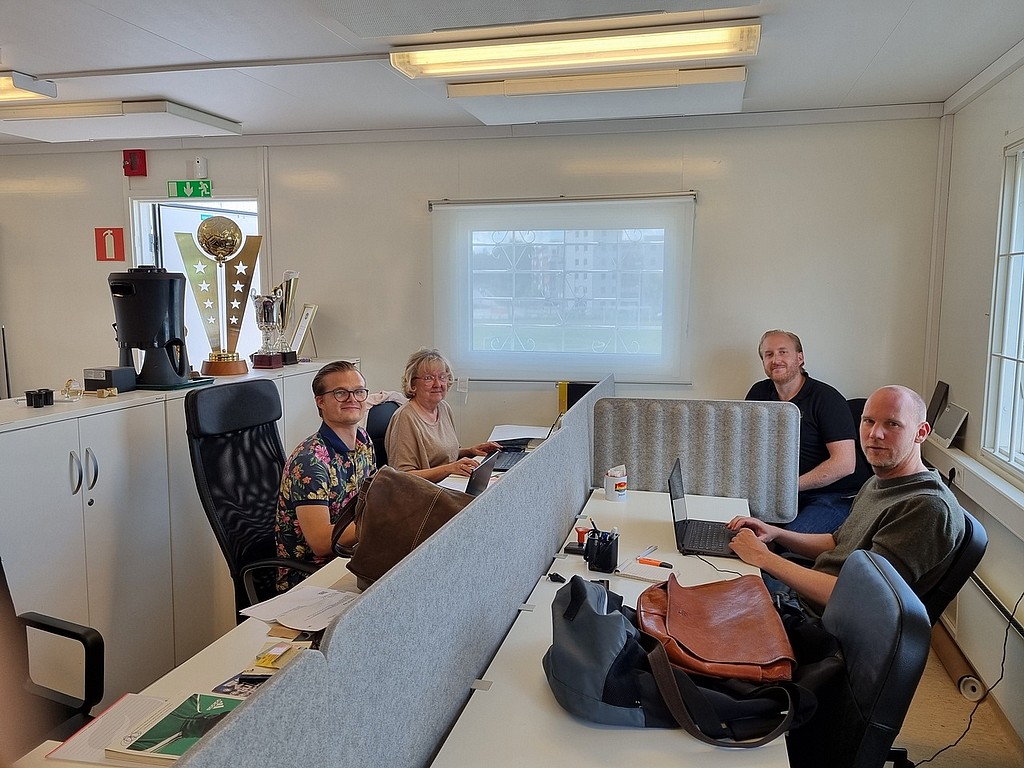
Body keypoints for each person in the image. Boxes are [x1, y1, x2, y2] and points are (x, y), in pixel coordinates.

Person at [727, 385, 966, 619]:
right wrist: (776, 533)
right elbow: (837, 542)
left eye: (892, 424)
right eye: (868, 421)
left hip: (813, 619)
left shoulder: (927, 508)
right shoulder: (878, 482)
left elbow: (858, 597)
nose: (875, 434)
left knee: (716, 598)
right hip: (802, 596)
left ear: (921, 433)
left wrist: (764, 558)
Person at [746, 329, 861, 533]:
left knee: (789, 541)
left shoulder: (827, 398)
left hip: (831, 495)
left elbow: (844, 463)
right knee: (739, 530)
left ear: (800, 358)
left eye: (783, 352)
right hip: (778, 495)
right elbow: (746, 445)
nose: (776, 360)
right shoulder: (759, 393)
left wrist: (788, 487)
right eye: (769, 354)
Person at [275, 360, 375, 592]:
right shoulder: (310, 461)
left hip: (351, 557)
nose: (352, 399)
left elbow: (371, 499)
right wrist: (380, 523)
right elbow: (321, 543)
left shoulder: (363, 440)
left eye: (358, 391)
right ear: (320, 402)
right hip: (312, 579)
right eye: (340, 393)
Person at [384, 348, 501, 483]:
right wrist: (449, 469)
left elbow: (443, 455)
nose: (437, 384)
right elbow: (402, 477)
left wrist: (470, 451)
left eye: (442, 377)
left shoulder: (443, 408)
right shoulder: (405, 418)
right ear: (413, 384)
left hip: (448, 483)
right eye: (429, 378)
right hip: (424, 492)